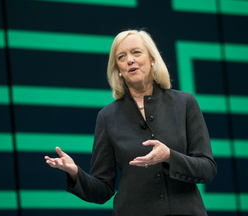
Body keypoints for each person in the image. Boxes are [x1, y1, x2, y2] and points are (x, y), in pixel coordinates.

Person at [44, 30, 217, 216]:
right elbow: (102, 189)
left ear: (152, 58)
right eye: (121, 57)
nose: (130, 60)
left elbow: (207, 169)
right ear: (118, 69)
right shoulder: (107, 117)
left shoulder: (184, 103)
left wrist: (169, 156)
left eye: (136, 52)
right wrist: (75, 172)